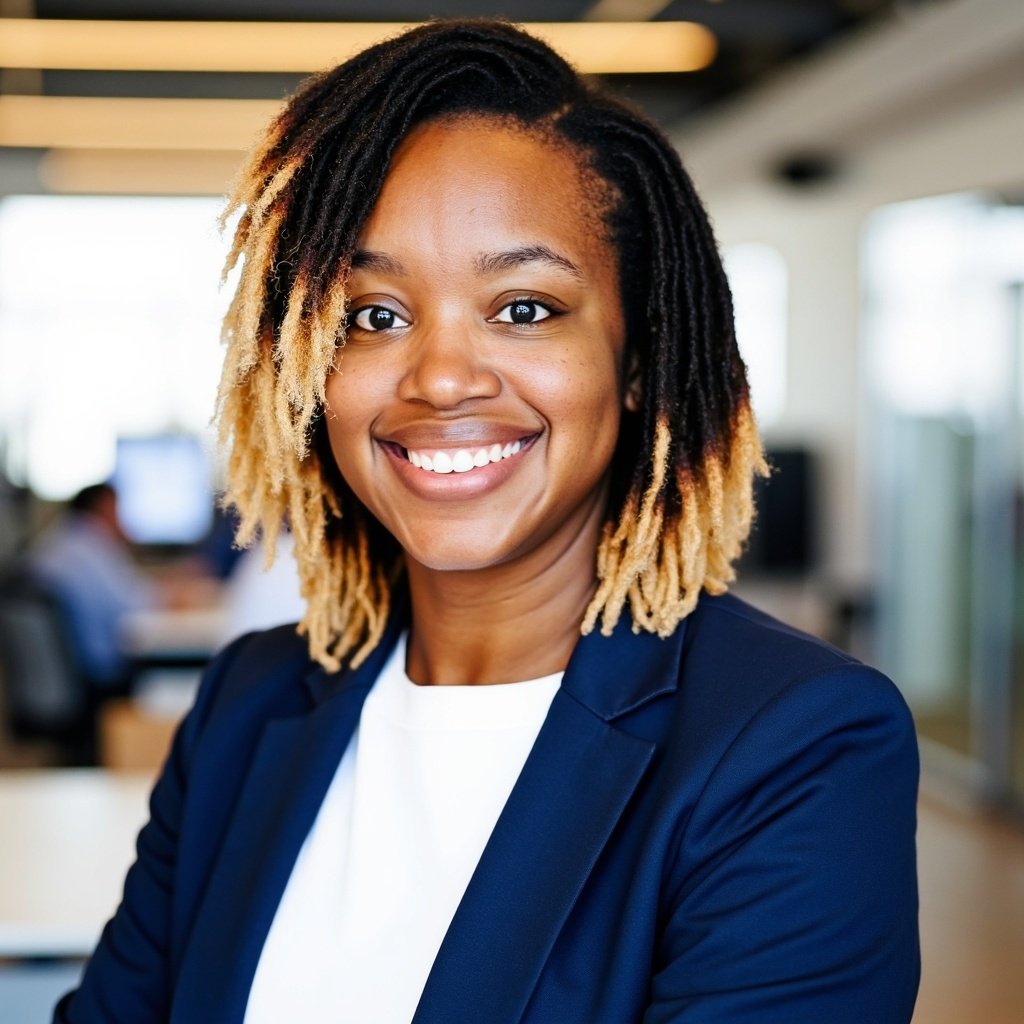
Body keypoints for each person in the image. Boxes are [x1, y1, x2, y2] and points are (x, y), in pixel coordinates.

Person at [55, 20, 919, 1023]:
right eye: (373, 315)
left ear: (635, 360)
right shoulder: (248, 705)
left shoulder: (792, 741)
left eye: (523, 307)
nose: (441, 377)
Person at [28, 482, 155, 692]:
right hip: (99, 674)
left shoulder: (57, 542)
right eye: (119, 508)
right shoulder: (91, 547)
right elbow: (136, 606)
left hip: (60, 678)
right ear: (105, 508)